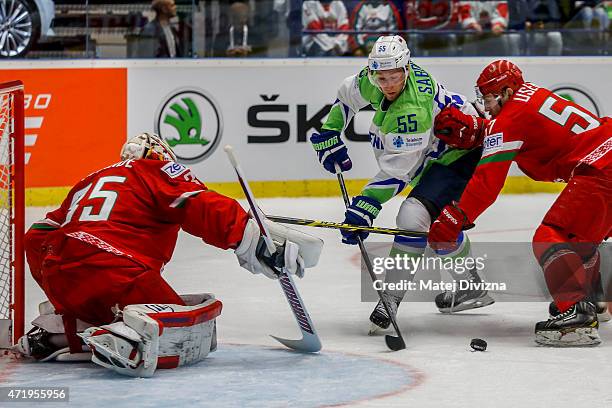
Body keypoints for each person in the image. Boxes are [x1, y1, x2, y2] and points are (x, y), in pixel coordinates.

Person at [16, 133, 323, 376]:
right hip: (114, 269)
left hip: (58, 271)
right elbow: (197, 202)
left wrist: (53, 273)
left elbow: (35, 236)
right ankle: (131, 337)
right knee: (199, 318)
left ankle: (54, 336)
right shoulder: (156, 170)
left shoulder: (88, 182)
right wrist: (252, 241)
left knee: (95, 307)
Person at [309, 34, 494, 334]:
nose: (389, 85)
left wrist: (365, 206)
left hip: (459, 152)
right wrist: (331, 131)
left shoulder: (413, 110)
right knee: (436, 227)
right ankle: (469, 286)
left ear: (406, 69)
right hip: (436, 150)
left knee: (413, 216)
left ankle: (391, 299)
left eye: (395, 77)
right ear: (373, 73)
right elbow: (346, 98)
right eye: (382, 78)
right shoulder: (375, 77)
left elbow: (399, 172)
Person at [428, 60, 611, 347]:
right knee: (579, 236)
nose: (486, 107)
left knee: (552, 236)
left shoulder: (510, 117)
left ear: (506, 91)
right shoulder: (532, 96)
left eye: (488, 99)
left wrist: (454, 218)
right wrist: (484, 131)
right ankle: (593, 301)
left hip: (603, 169)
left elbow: (486, 184)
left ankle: (576, 317)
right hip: (606, 153)